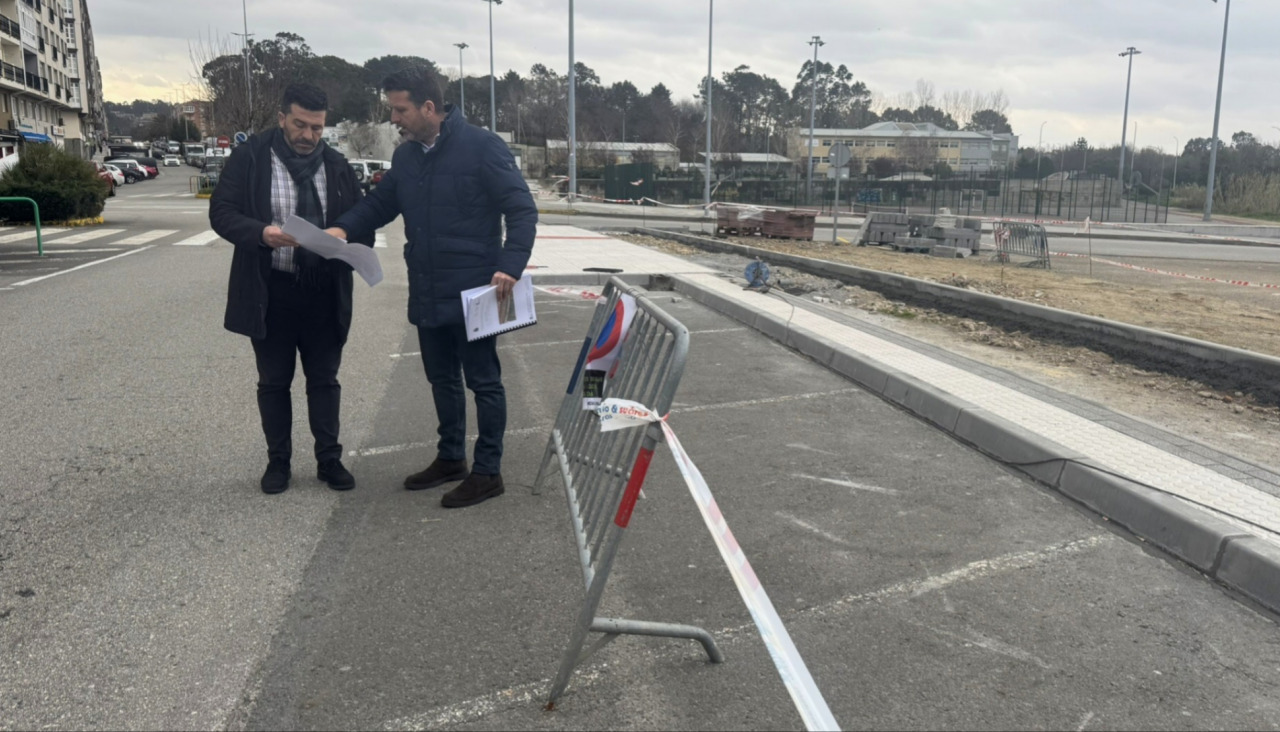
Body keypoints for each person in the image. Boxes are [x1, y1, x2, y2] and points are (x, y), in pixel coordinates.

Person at [327, 67, 537, 509]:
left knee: (484, 381)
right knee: (440, 378)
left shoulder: (482, 147)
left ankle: (488, 471)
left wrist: (510, 265)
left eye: (400, 109)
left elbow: (521, 209)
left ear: (428, 107)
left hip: (476, 292)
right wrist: (342, 231)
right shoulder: (406, 158)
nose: (394, 119)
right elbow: (380, 205)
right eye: (392, 110)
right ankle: (450, 458)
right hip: (426, 286)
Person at [210, 83, 374, 495]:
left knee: (325, 380)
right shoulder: (250, 157)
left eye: (317, 128)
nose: (308, 136)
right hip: (271, 290)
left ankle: (329, 460)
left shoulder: (336, 165)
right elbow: (221, 213)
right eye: (300, 125)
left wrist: (344, 232)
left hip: (323, 291)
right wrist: (261, 233)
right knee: (273, 381)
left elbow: (361, 219)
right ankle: (278, 462)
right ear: (282, 117)